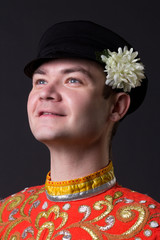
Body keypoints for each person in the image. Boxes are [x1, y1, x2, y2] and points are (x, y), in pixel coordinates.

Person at [0, 21, 159, 239]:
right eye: (40, 80)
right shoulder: (6, 215)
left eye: (72, 80)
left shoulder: (150, 223)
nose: (46, 92)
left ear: (116, 106)